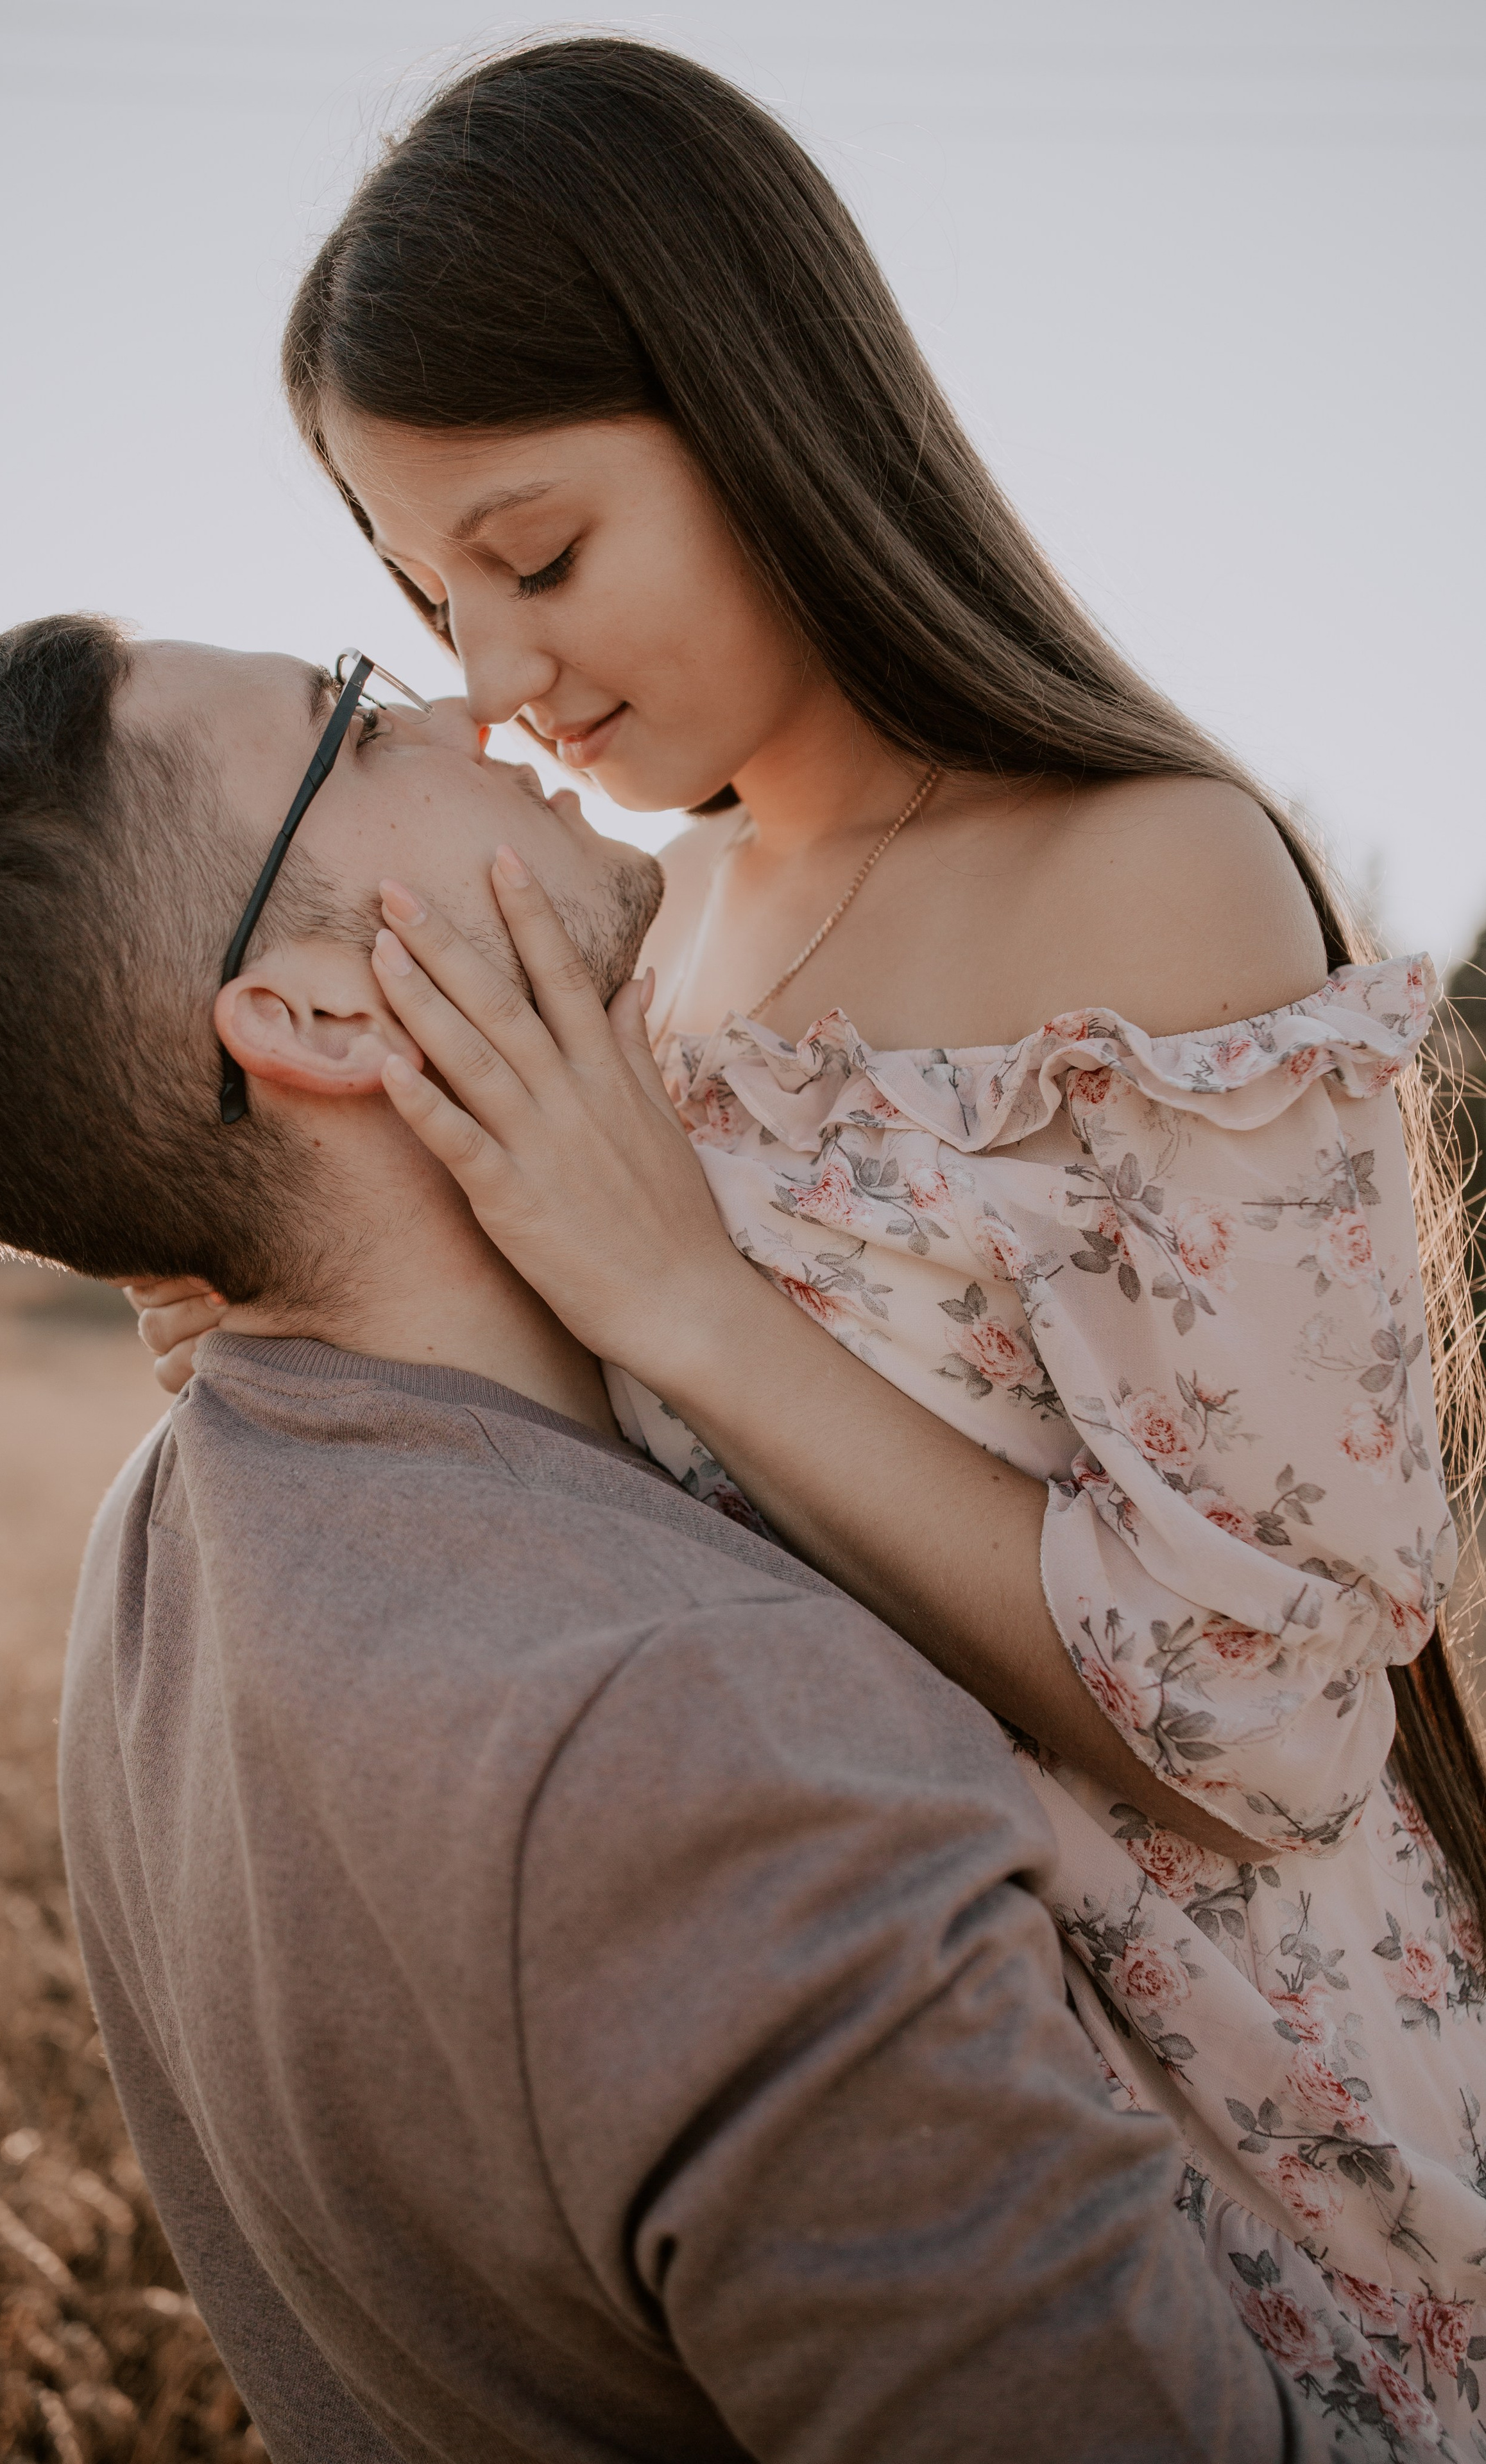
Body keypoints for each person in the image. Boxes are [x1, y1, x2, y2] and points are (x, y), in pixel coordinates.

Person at [144, 31, 1486, 2456]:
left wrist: (686, 1303)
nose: (499, 679)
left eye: (538, 557)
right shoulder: (634, 932)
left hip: (1262, 2153)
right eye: (427, 594)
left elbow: (1279, 1728)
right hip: (865, 2122)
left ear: (761, 403)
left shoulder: (1145, 876)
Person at [0, 615, 1315, 2463]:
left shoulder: (152, 1551)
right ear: (316, 1017)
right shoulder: (700, 1734)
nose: (463, 704)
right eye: (354, 725)